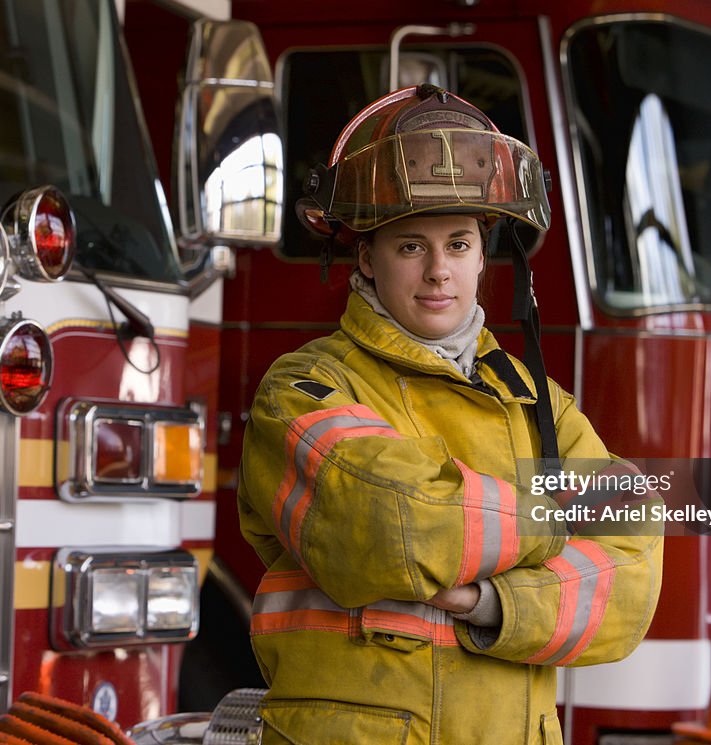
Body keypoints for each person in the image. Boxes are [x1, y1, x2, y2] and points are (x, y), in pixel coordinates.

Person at [238, 84, 663, 745]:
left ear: (482, 256)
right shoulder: (305, 387)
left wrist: (489, 601)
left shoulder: (534, 401)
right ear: (367, 260)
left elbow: (633, 559)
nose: (440, 271)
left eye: (459, 244)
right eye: (411, 246)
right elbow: (394, 523)